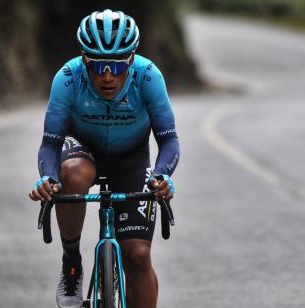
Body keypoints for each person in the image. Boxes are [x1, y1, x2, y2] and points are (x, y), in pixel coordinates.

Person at [29, 9, 180, 308]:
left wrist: (162, 175)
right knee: (71, 174)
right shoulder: (68, 78)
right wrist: (49, 178)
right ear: (85, 60)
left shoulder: (148, 76)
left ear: (132, 59)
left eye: (117, 66)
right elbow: (50, 144)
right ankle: (72, 263)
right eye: (98, 66)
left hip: (131, 157)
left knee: (137, 256)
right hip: (83, 149)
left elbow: (169, 140)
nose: (107, 76)